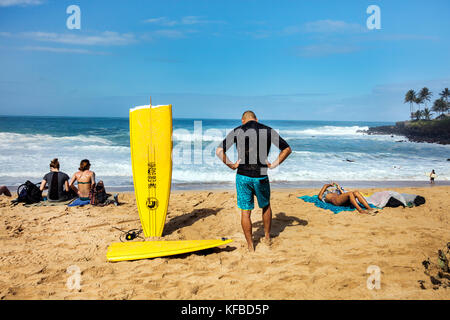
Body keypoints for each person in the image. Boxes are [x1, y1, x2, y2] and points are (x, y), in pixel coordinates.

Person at [216, 110, 292, 252]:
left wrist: (232, 165)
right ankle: (267, 237)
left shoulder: (237, 130)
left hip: (242, 174)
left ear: (243, 121)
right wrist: (274, 164)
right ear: (256, 119)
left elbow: (219, 150)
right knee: (266, 206)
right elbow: (287, 149)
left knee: (246, 211)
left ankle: (251, 246)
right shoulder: (268, 130)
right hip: (261, 173)